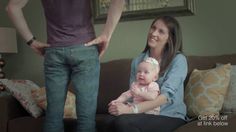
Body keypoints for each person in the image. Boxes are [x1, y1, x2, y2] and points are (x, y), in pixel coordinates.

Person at [6, 0, 125, 132]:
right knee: (86, 119)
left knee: (53, 117)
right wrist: (106, 35)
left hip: (54, 50)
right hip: (85, 49)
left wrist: (31, 41)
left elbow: (12, 7)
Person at [108, 15, 188, 132]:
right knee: (108, 122)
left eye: (161, 31)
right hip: (143, 114)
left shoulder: (178, 60)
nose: (154, 33)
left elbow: (164, 98)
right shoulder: (138, 61)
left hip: (170, 115)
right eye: (153, 28)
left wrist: (130, 110)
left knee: (123, 123)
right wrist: (118, 105)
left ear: (170, 38)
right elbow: (133, 93)